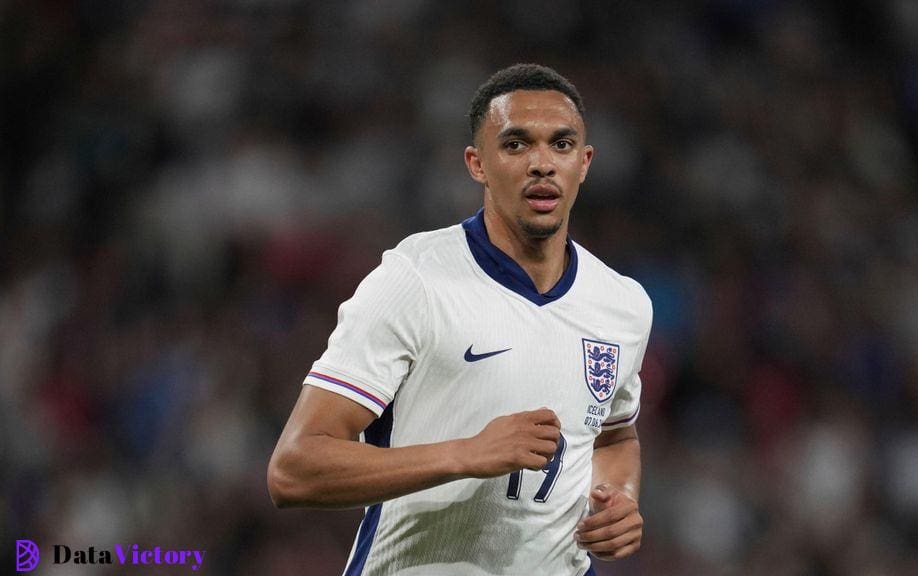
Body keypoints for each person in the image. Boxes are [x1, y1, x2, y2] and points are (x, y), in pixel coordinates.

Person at [267, 63, 652, 576]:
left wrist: (619, 497)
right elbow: (294, 471)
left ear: (583, 163)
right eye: (516, 144)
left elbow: (614, 436)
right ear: (477, 163)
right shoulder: (414, 281)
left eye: (560, 145)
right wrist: (466, 454)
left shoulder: (622, 304)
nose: (542, 163)